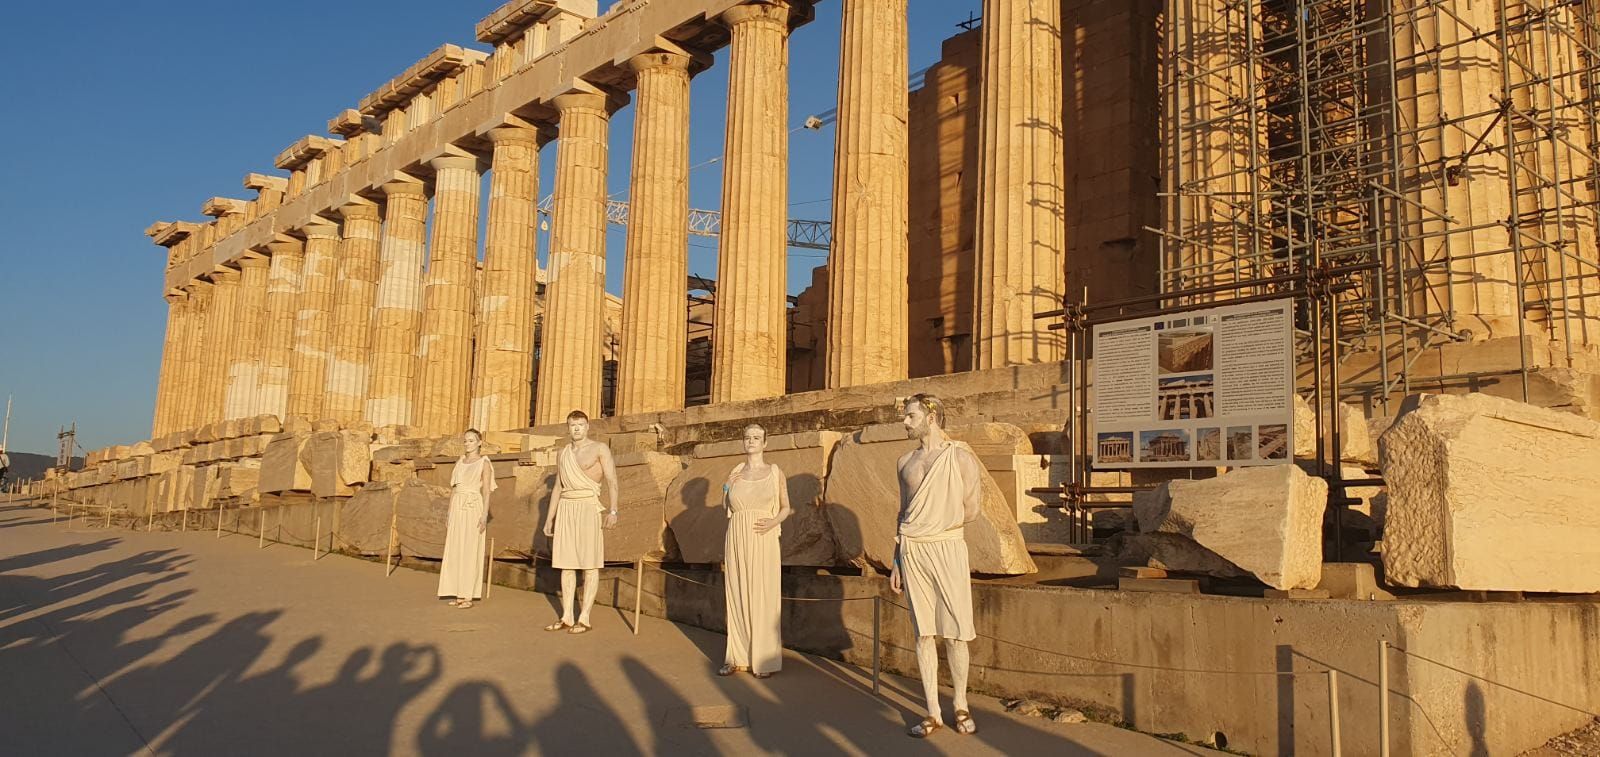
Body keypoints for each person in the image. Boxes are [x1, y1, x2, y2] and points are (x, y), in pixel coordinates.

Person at [890, 393, 983, 737]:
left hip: (947, 546)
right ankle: (932, 711)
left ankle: (960, 704)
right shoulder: (904, 463)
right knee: (923, 632)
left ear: (931, 418)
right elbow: (903, 512)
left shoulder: (960, 458)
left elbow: (972, 508)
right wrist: (896, 558)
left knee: (957, 632)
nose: (905, 422)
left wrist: (943, 525)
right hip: (912, 549)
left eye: (910, 416)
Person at [720, 423, 791, 678]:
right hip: (737, 535)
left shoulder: (774, 472)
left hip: (764, 536)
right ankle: (736, 657)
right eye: (747, 437)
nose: (751, 441)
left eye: (756, 438)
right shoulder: (736, 471)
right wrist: (727, 486)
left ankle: (763, 660)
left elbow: (785, 507)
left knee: (762, 594)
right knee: (737, 593)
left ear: (765, 443)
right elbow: (725, 505)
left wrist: (773, 522)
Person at [543, 410, 619, 634]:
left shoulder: (599, 448)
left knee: (589, 563)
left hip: (588, 506)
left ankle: (584, 617)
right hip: (566, 506)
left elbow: (612, 481)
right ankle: (567, 615)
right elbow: (558, 486)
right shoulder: (563, 453)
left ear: (587, 426)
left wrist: (613, 511)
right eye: (572, 425)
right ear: (567, 427)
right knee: (566, 564)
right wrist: (549, 518)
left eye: (580, 424)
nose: (576, 428)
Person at [438, 429, 497, 609]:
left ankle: (468, 595)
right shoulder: (460, 462)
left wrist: (484, 515)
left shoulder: (484, 463)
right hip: (457, 506)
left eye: (471, 440)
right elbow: (454, 489)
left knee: (471, 549)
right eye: (465, 441)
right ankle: (458, 592)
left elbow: (486, 490)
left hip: (473, 506)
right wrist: (449, 512)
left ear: (479, 442)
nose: (468, 443)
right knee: (455, 548)